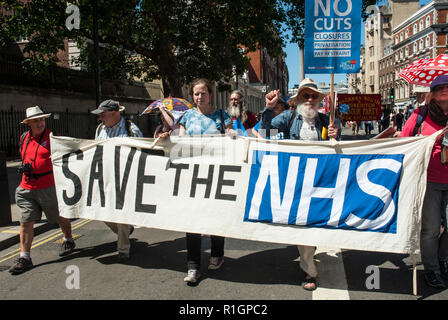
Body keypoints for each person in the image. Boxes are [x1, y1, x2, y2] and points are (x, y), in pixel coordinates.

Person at [261, 78, 338, 291]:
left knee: (315, 224)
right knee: (303, 225)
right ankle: (309, 270)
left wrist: (335, 137)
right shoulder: (288, 117)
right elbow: (267, 135)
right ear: (299, 100)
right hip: (296, 181)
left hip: (321, 181)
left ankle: (309, 258)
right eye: (306, 95)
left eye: (313, 95)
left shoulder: (325, 120)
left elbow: (337, 154)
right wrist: (268, 109)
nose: (310, 99)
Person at [178, 78, 236, 283]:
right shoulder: (186, 116)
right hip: (192, 175)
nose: (199, 97)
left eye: (203, 93)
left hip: (216, 175)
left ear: (210, 94)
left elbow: (230, 132)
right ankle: (193, 266)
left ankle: (217, 255)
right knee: (191, 220)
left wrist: (230, 133)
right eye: (195, 94)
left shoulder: (222, 115)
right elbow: (180, 140)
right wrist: (171, 136)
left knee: (215, 216)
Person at [9, 106, 76, 275]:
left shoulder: (54, 139)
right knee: (25, 221)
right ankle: (25, 257)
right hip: (26, 187)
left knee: (59, 217)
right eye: (36, 121)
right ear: (29, 123)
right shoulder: (24, 138)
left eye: (42, 120)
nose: (40, 123)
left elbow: (70, 156)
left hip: (48, 187)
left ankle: (68, 239)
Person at [399, 75, 448, 289]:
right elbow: (403, 141)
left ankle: (442, 259)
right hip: (428, 180)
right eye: (439, 88)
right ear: (432, 93)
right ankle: (432, 269)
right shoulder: (421, 115)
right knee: (430, 229)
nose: (444, 91)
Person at [91, 99, 143, 261]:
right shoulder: (100, 129)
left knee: (120, 214)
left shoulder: (131, 129)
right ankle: (125, 230)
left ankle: (123, 249)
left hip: (124, 179)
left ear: (114, 113)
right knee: (100, 211)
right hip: (105, 177)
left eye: (102, 114)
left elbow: (142, 154)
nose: (100, 118)